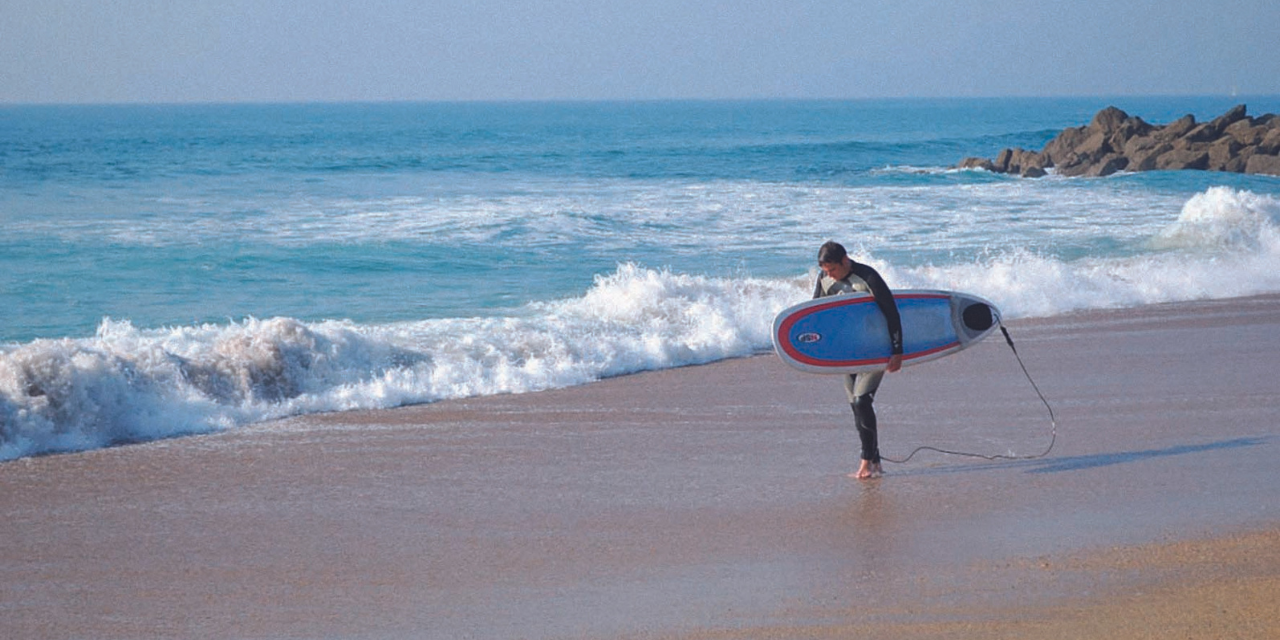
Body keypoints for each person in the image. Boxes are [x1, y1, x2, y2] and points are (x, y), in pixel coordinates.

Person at [813, 241, 903, 479]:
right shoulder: (824, 279)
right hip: (848, 353)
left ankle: (865, 461)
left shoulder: (868, 277)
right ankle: (875, 461)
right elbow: (814, 316)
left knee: (862, 401)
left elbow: (892, 313)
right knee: (855, 404)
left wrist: (897, 351)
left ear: (845, 261)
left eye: (832, 269)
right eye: (825, 271)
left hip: (875, 349)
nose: (829, 275)